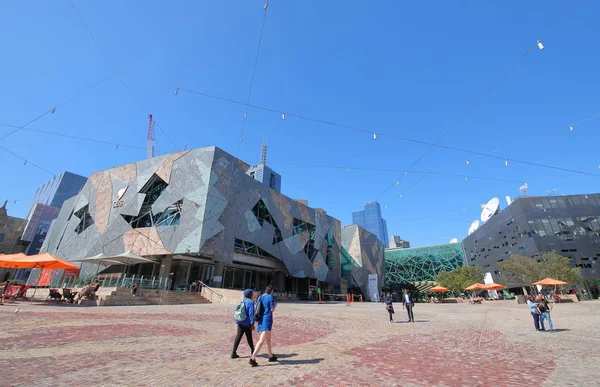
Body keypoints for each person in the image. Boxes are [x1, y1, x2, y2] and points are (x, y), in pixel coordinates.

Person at [249, 286, 277, 367]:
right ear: (271, 291)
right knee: (262, 339)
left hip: (261, 319)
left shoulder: (260, 297)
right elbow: (272, 309)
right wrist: (274, 306)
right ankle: (252, 357)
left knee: (268, 338)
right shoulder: (270, 297)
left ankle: (271, 356)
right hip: (267, 319)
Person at [232, 289, 255, 359]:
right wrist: (252, 324)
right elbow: (251, 314)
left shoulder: (243, 301)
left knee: (238, 337)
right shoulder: (250, 302)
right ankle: (253, 351)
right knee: (249, 337)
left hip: (240, 322)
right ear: (250, 295)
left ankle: (233, 352)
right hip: (247, 323)